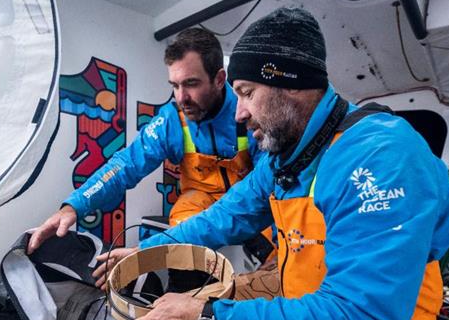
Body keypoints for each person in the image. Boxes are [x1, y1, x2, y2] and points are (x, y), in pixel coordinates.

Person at [99, 8, 449, 320]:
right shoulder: (288, 155)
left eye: (245, 93)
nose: (239, 113)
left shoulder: (379, 160)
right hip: (304, 314)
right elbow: (227, 215)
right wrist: (148, 252)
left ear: (290, 86)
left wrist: (204, 319)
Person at [26, 27, 269, 255]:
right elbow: (124, 167)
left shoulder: (249, 112)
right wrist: (74, 207)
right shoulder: (171, 121)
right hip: (198, 200)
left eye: (191, 84)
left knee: (276, 246)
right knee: (182, 248)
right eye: (175, 85)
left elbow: (266, 186)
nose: (181, 97)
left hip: (250, 198)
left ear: (218, 79)